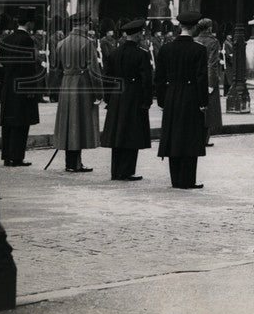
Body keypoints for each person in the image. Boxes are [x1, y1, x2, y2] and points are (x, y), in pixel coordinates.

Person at [154, 11, 209, 189]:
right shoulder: (199, 50)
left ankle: (175, 179)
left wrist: (162, 100)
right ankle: (187, 180)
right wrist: (203, 102)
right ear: (193, 27)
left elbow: (159, 78)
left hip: (171, 94)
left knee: (173, 135)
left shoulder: (166, 48)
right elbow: (201, 78)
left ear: (180, 26)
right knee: (190, 136)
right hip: (191, 95)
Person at [100, 18, 152, 181]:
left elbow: (106, 77)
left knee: (118, 134)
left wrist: (108, 98)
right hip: (133, 96)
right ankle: (127, 170)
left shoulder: (114, 53)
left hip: (116, 95)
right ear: (137, 35)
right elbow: (146, 80)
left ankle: (115, 171)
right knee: (132, 134)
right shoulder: (141, 54)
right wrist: (147, 100)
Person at [51, 12, 102, 173]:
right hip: (82, 85)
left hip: (66, 84)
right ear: (84, 25)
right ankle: (75, 163)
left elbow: (56, 70)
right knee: (79, 124)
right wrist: (99, 93)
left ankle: (72, 162)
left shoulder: (61, 43)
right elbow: (94, 71)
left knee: (68, 123)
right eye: (88, 24)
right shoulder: (87, 43)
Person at [0, 7, 45, 167]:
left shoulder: (6, 39)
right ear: (30, 23)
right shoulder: (27, 40)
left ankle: (6, 156)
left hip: (8, 86)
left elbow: (1, 63)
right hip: (21, 87)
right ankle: (17, 157)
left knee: (8, 122)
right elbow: (28, 67)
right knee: (21, 123)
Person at [195, 18, 223, 146]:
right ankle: (204, 140)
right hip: (207, 78)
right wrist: (211, 83)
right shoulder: (213, 42)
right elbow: (212, 64)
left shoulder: (194, 40)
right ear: (209, 28)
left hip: (195, 78)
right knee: (208, 112)